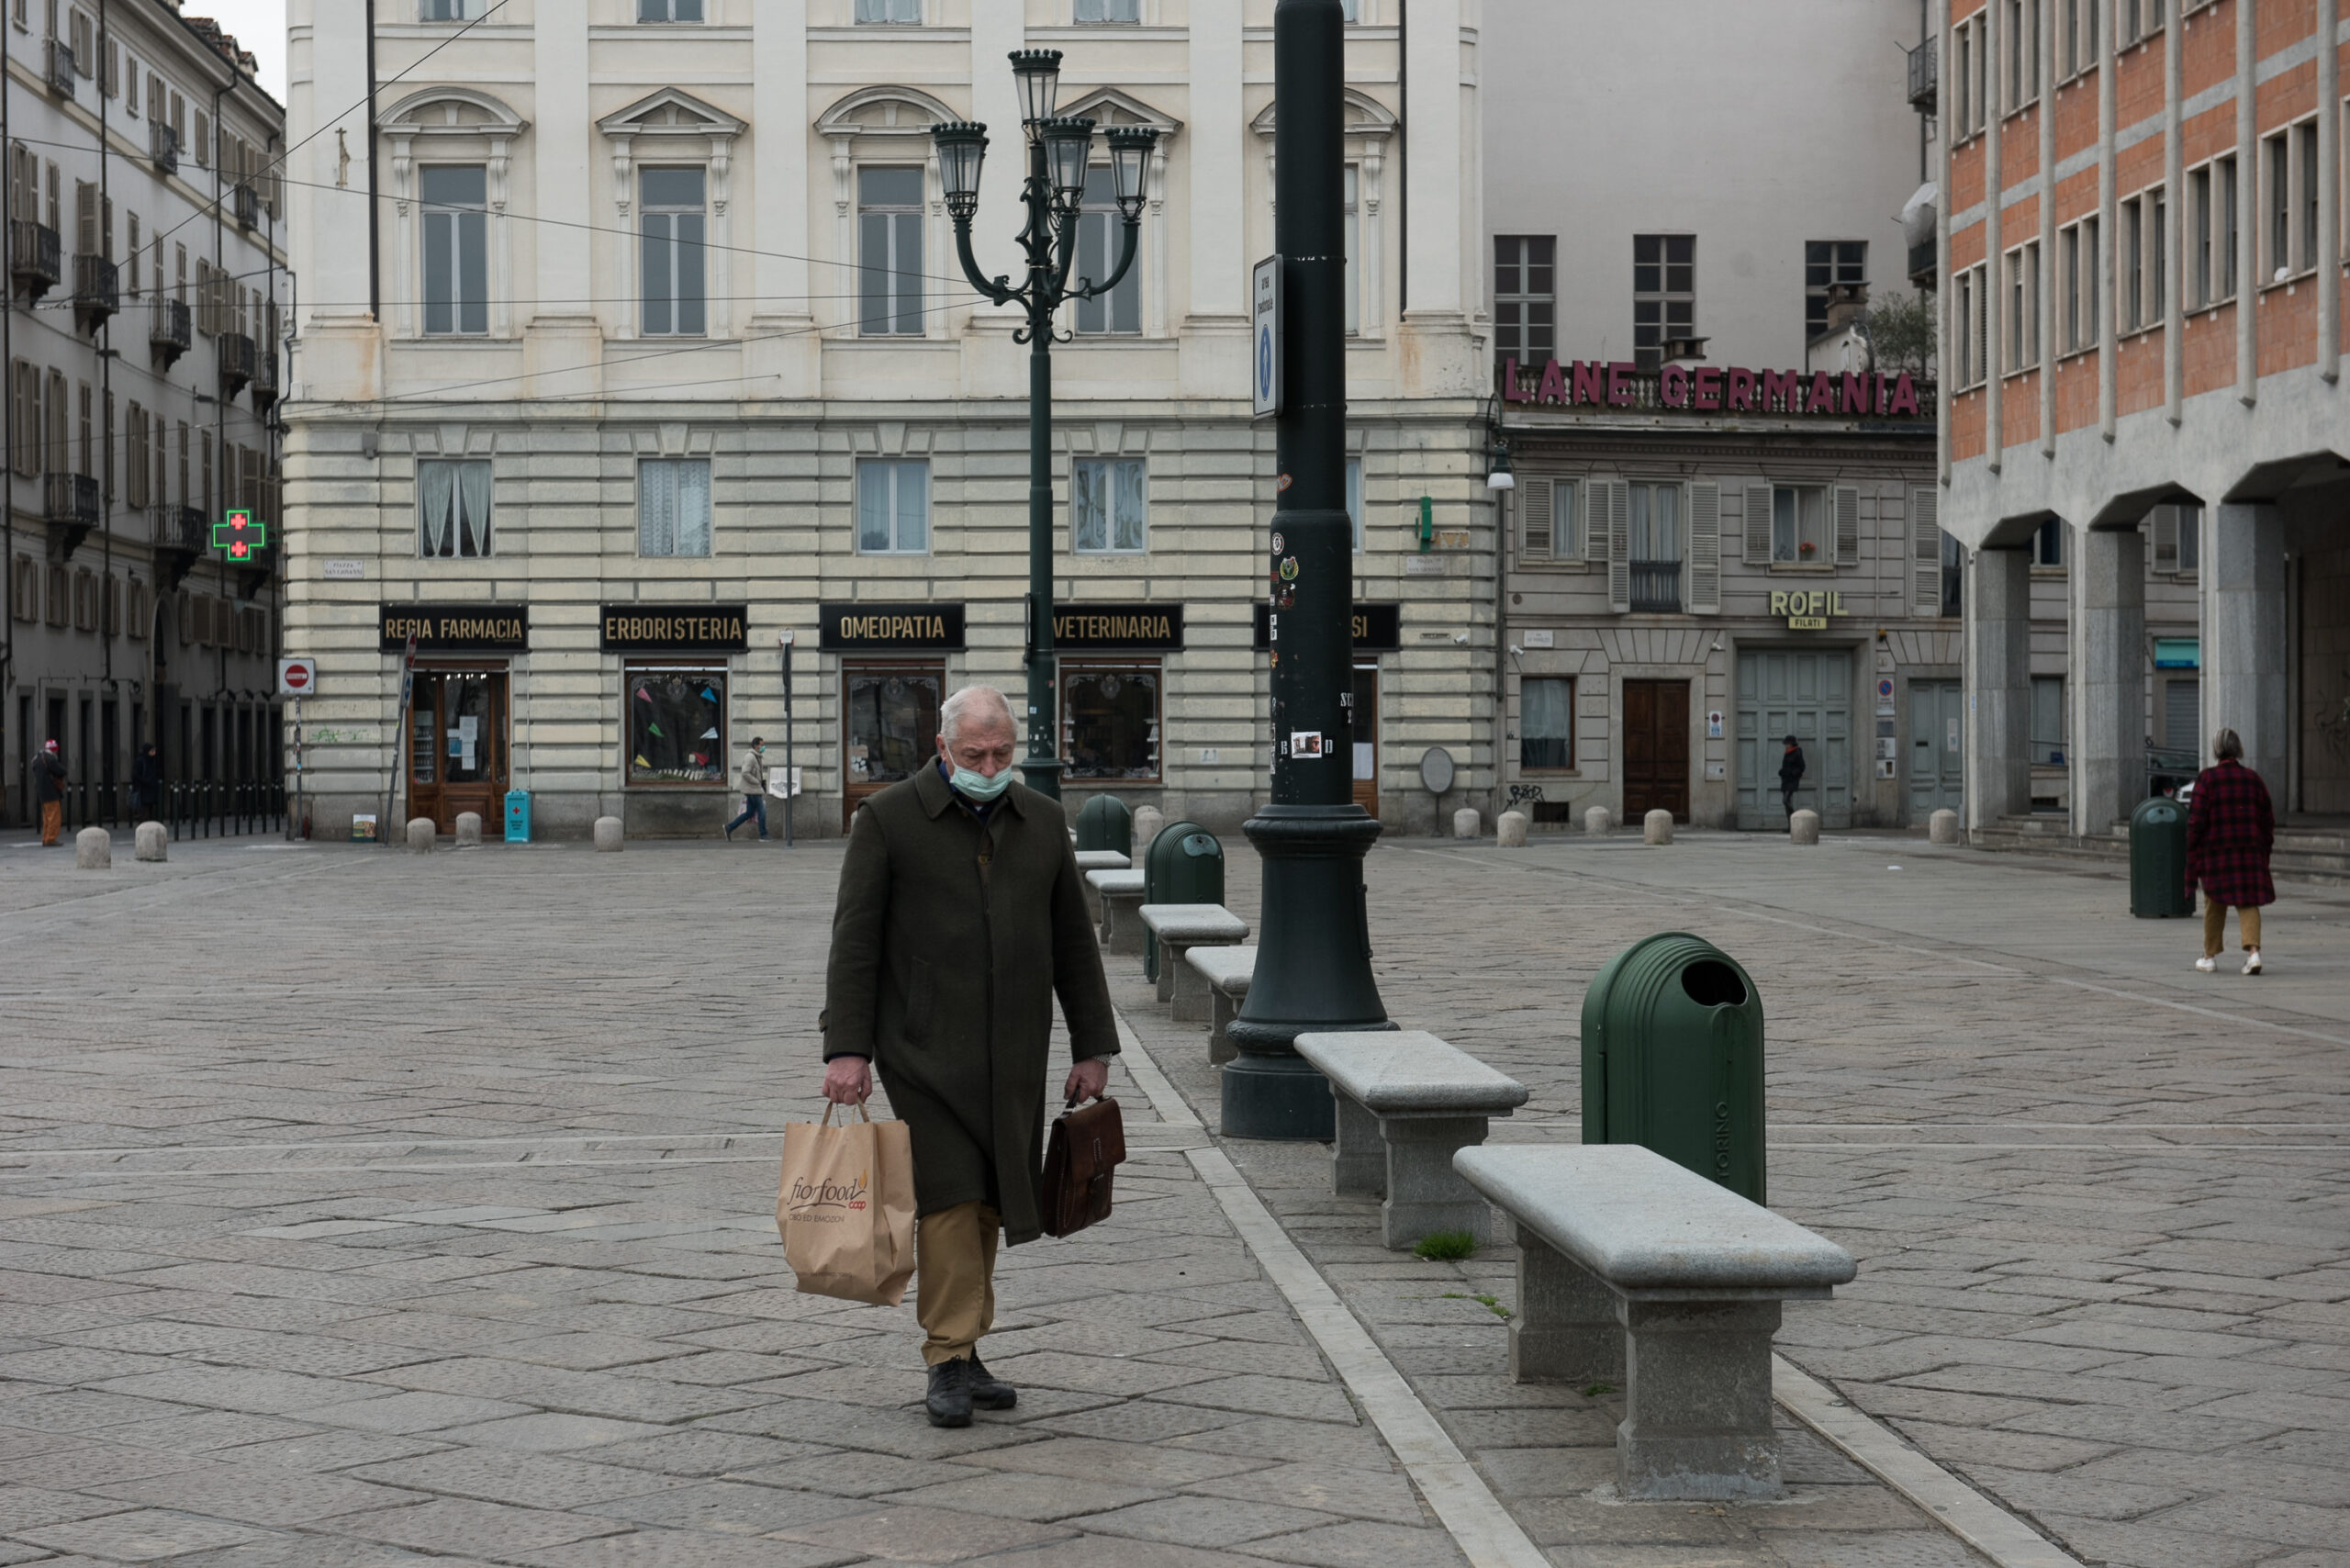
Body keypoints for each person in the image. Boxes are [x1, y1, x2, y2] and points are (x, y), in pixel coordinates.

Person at [820, 684, 1117, 1428]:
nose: (990, 765)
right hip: (921, 1047)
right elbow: (854, 941)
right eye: (975, 753)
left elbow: (1075, 945)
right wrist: (848, 1048)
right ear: (943, 749)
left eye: (1002, 753)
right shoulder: (888, 820)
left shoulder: (1043, 821)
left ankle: (969, 1344)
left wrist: (1094, 1046)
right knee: (950, 1194)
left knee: (991, 1191)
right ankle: (948, 1355)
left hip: (1015, 1044)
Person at [2186, 727, 2275, 975]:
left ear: (2217, 751)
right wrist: (2263, 848)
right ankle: (2254, 952)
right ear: (2238, 749)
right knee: (2248, 903)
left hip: (2217, 854)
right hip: (2249, 853)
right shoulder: (2253, 779)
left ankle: (2209, 956)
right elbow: (2267, 819)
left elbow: (2196, 821)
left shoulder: (2207, 779)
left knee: (2214, 902)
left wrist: (2193, 849)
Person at [723, 737, 769, 840]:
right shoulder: (750, 757)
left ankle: (729, 827)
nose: (763, 747)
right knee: (762, 811)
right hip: (753, 789)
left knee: (749, 813)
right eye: (762, 745)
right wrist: (757, 782)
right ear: (756, 746)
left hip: (753, 789)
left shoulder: (757, 757)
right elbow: (745, 773)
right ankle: (763, 834)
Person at [34, 739, 66, 846]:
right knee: (54, 816)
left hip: (41, 791)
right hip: (51, 791)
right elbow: (61, 771)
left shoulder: (37, 759)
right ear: (55, 749)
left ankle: (46, 837)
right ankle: (51, 839)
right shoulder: (51, 759)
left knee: (46, 817)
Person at [129, 743, 162, 823]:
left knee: (150, 812)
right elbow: (135, 775)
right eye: (152, 751)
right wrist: (146, 781)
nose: (154, 753)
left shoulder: (153, 761)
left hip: (151, 790)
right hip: (143, 791)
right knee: (144, 812)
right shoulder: (141, 761)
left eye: (154, 751)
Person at [1777, 734, 1806, 824]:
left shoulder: (1797, 752)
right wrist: (1782, 772)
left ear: (1792, 744)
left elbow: (1802, 767)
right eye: (1786, 744)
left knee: (1785, 800)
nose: (1786, 745)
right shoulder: (1787, 752)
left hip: (1792, 780)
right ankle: (1790, 826)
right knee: (1786, 803)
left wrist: (1792, 773)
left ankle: (1795, 818)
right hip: (1785, 780)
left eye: (1788, 743)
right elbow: (1786, 766)